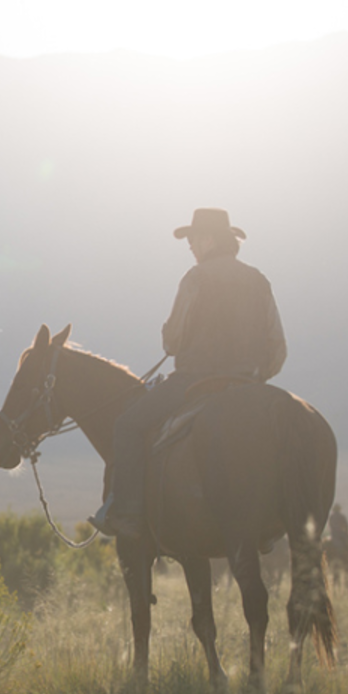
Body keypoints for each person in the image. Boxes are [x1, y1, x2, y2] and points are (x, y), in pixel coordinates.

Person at [91, 208, 287, 539]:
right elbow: (277, 346)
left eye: (193, 240)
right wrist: (255, 377)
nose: (191, 248)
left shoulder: (195, 278)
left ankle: (128, 512)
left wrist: (171, 336)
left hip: (195, 382)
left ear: (208, 240)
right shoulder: (259, 280)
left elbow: (173, 340)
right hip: (248, 384)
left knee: (127, 425)